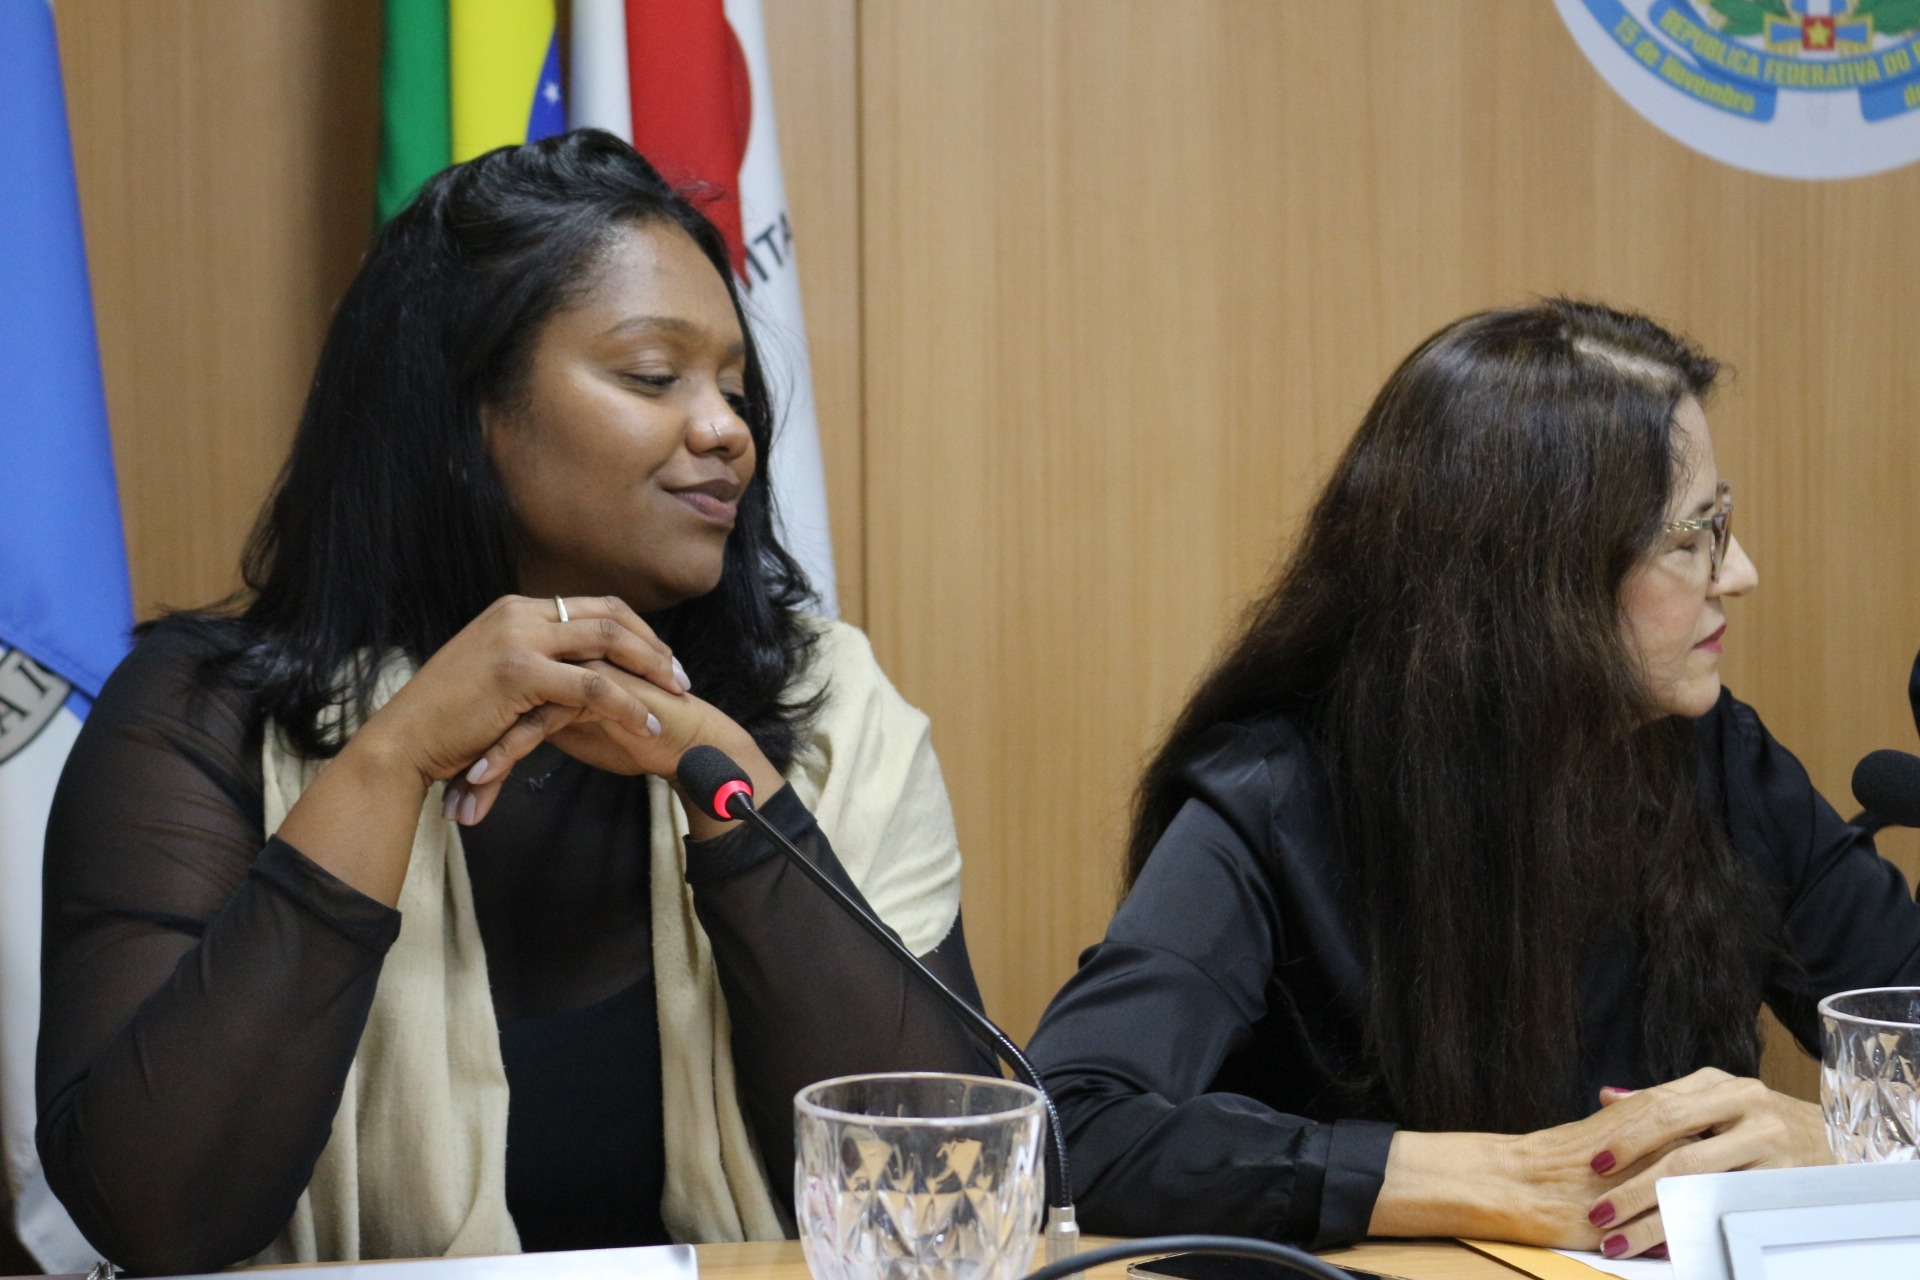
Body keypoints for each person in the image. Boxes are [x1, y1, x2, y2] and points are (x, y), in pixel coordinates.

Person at [36, 131, 992, 1275]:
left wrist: (727, 783)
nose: (727, 429)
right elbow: (155, 1211)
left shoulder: (827, 710)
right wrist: (389, 762)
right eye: (655, 376)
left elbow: (942, 1196)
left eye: (735, 389)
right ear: (460, 417)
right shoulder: (204, 718)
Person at [1026, 299, 1920, 1262]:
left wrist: (1834, 1143)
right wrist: (1493, 1179)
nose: (1738, 571)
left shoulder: (1724, 762)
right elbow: (1069, 1123)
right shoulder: (1277, 793)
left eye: (1723, 521)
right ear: (1536, 581)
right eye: (1691, 535)